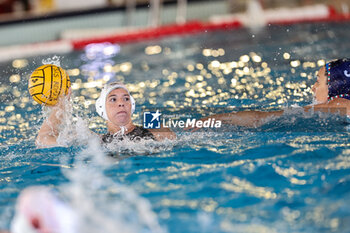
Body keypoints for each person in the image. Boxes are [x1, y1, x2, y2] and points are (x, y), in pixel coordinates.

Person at [193, 58, 350, 128]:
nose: (313, 88)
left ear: (335, 87)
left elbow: (262, 118)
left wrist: (213, 119)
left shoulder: (338, 105)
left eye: (318, 81)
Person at [35, 82, 175, 148]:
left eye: (126, 99)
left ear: (132, 105)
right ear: (101, 108)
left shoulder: (152, 129)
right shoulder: (95, 141)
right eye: (113, 99)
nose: (121, 103)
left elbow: (173, 139)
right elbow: (42, 140)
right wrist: (61, 106)